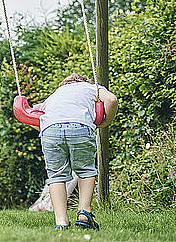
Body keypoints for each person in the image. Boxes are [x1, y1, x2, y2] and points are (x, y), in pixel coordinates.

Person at [35, 73, 118, 231]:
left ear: (64, 84)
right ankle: (84, 213)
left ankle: (61, 222)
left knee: (56, 175)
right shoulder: (92, 88)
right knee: (86, 170)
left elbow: (34, 115)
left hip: (50, 129)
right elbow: (112, 100)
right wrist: (107, 120)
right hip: (80, 126)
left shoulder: (55, 95)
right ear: (84, 81)